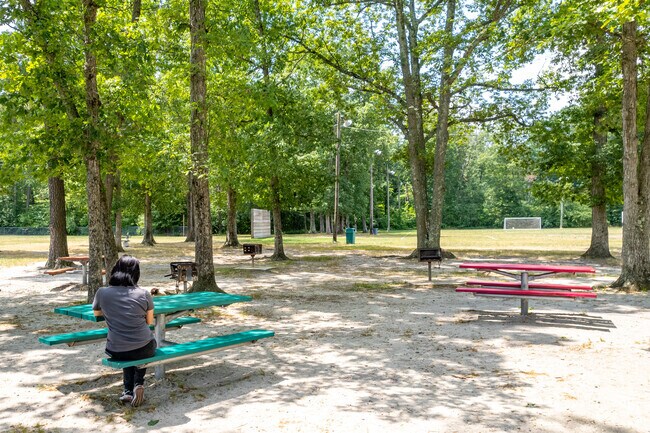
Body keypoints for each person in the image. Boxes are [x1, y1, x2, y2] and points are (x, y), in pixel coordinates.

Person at [92, 255, 156, 407]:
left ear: (116, 270)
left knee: (127, 350)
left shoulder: (102, 292)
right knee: (142, 347)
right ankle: (138, 384)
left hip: (116, 349)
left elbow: (97, 314)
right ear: (136, 273)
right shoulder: (144, 293)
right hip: (144, 348)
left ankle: (127, 391)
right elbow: (149, 321)